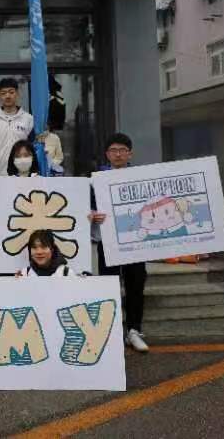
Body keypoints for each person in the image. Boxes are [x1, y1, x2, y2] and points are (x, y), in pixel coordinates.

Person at [89, 133, 149, 352]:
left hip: (136, 241)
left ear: (130, 154)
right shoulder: (96, 180)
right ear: (107, 154)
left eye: (122, 150)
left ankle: (134, 330)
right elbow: (89, 207)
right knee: (110, 284)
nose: (118, 154)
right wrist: (92, 214)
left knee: (135, 284)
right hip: (108, 240)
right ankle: (111, 331)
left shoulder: (141, 178)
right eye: (113, 150)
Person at [0, 78, 34, 176]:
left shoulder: (29, 120)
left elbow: (34, 149)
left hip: (23, 175)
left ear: (17, 94)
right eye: (3, 93)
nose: (7, 96)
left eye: (11, 92)